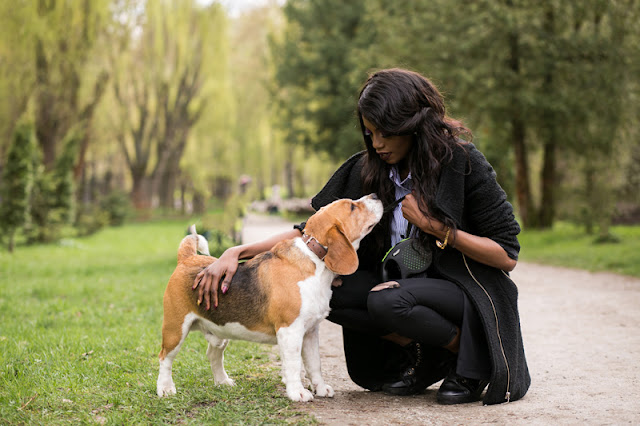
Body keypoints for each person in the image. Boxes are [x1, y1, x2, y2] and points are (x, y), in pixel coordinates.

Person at [194, 68, 530, 405]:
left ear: (414, 125)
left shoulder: (463, 163)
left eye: (386, 132)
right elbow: (312, 230)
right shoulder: (367, 169)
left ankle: (468, 357)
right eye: (370, 133)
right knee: (323, 292)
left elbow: (506, 254)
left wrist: (438, 228)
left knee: (387, 300)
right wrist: (238, 252)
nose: (378, 143)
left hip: (459, 290)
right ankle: (429, 353)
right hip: (400, 286)